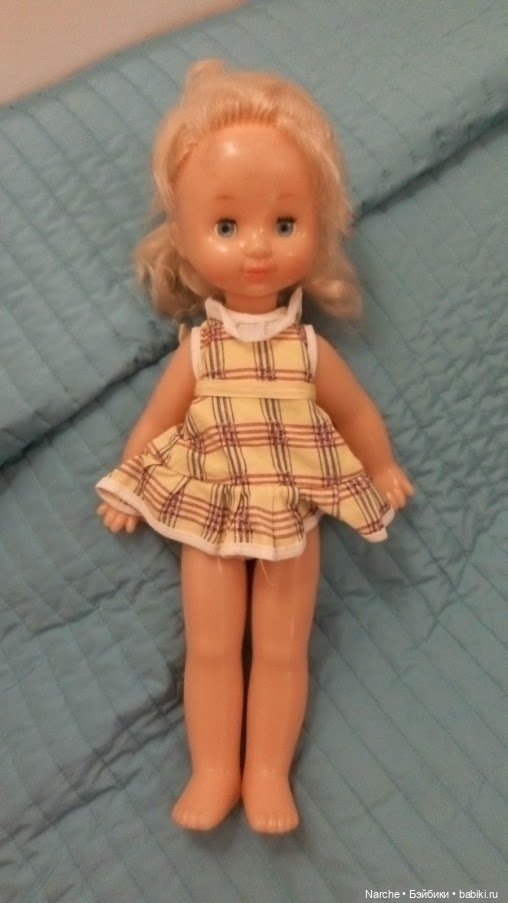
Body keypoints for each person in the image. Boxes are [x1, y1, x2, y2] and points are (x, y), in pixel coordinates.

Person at [96, 60, 413, 833]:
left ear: (319, 227)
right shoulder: (200, 349)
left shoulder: (308, 351)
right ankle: (213, 769)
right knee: (210, 647)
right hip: (209, 511)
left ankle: (267, 771)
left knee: (280, 648)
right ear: (183, 239)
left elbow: (356, 411)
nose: (257, 250)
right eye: (227, 227)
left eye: (285, 223)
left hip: (292, 516)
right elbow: (157, 421)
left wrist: (381, 466)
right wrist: (129, 481)